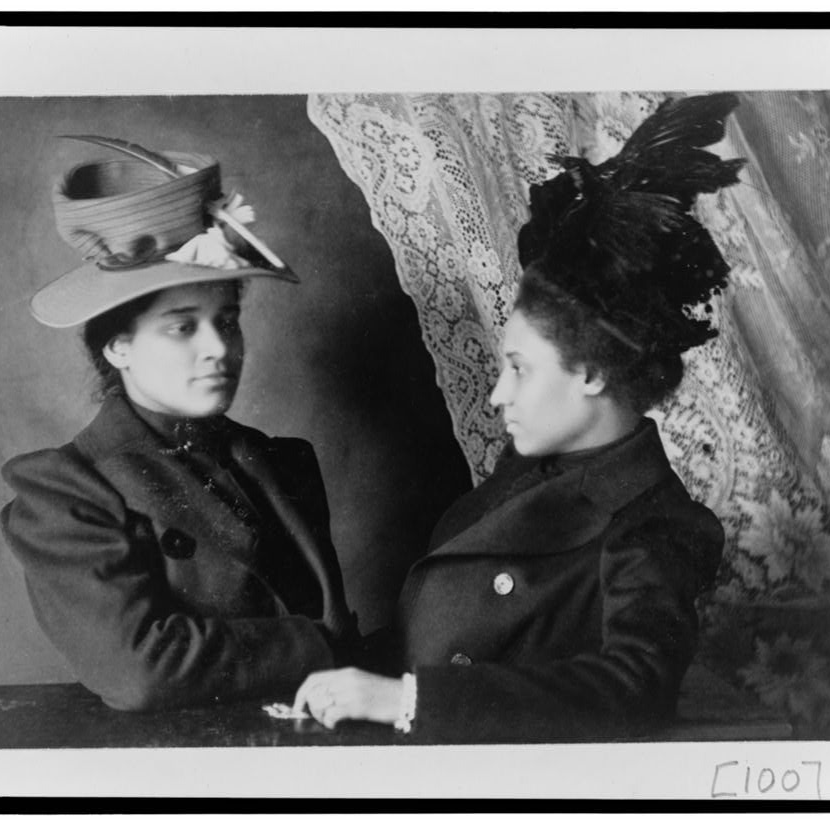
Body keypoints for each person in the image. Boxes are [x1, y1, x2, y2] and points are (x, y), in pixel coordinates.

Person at [293, 93, 744, 742]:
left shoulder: (656, 527)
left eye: (522, 369)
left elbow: (631, 689)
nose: (499, 394)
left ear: (591, 372)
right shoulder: (527, 472)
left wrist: (403, 700)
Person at [1, 135, 356, 711]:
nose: (219, 348)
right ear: (118, 346)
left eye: (228, 320)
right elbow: (141, 670)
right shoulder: (64, 493)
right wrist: (321, 646)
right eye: (182, 327)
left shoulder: (280, 460)